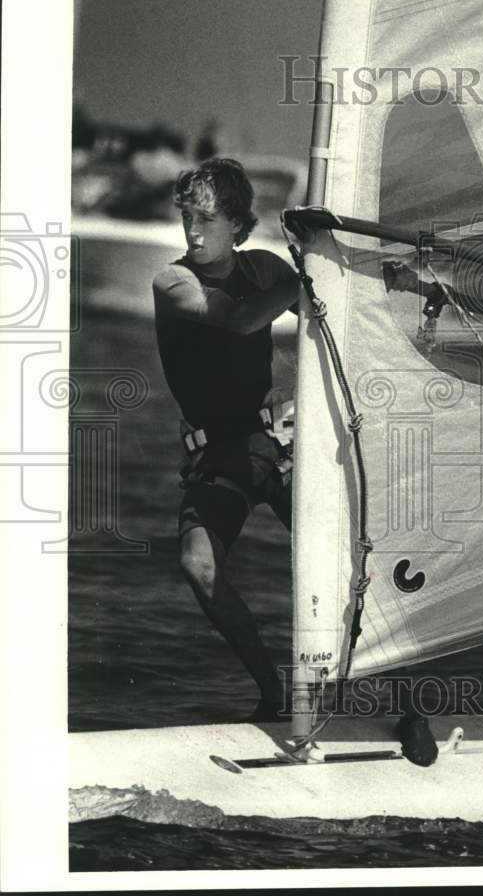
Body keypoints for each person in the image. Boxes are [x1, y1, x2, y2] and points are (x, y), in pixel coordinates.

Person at [153, 157, 298, 721]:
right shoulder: (173, 281)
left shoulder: (263, 268)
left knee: (341, 552)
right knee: (198, 564)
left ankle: (380, 683)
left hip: (272, 446)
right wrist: (301, 281)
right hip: (217, 455)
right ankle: (273, 695)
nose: (193, 232)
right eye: (186, 216)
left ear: (238, 224)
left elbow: (324, 305)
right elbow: (238, 320)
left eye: (207, 219)